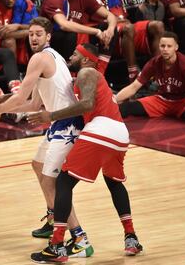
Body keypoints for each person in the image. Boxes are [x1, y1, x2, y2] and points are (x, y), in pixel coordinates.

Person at [0, 17, 94, 258]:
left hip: (67, 126)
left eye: (39, 33)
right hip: (58, 123)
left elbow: (21, 97)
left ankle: (79, 239)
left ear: (48, 36)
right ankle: (55, 218)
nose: (33, 37)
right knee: (38, 165)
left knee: (52, 183)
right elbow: (33, 103)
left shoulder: (39, 58)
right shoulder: (53, 56)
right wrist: (2, 106)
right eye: (31, 33)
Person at [27, 42, 143, 263]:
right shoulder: (82, 76)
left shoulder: (87, 72)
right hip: (120, 134)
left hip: (101, 128)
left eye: (75, 53)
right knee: (114, 183)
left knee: (62, 182)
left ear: (88, 59)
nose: (71, 55)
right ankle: (131, 238)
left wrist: (50, 116)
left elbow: (88, 104)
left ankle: (58, 246)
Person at [116, 31, 185, 135]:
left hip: (183, 101)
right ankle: (108, 117)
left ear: (176, 47)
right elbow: (134, 87)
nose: (165, 49)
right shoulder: (154, 62)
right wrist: (113, 101)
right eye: (163, 46)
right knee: (127, 107)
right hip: (162, 100)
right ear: (159, 47)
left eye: (169, 46)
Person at [88, 0, 164, 81]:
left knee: (157, 25)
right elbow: (94, 19)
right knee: (128, 27)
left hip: (123, 26)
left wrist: (120, 20)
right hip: (105, 31)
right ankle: (133, 74)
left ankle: (159, 72)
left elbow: (122, 14)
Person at [40, 0, 117, 74]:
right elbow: (64, 25)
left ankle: (100, 71)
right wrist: (97, 32)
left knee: (106, 27)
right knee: (71, 34)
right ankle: (70, 75)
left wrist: (111, 29)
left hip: (75, 36)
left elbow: (110, 15)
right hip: (53, 38)